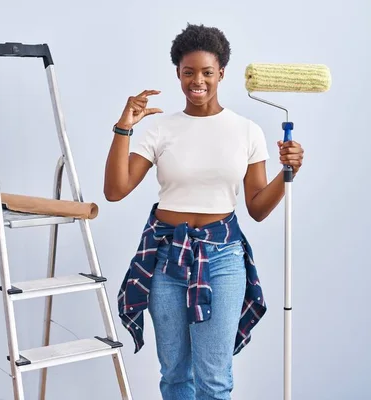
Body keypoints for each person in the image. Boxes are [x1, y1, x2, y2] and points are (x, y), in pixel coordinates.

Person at [104, 23, 304, 400]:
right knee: (176, 375)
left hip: (222, 260)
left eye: (207, 72)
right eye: (188, 72)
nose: (198, 81)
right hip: (166, 260)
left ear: (222, 74)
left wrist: (288, 171)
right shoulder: (160, 129)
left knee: (214, 380)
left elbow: (258, 208)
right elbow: (116, 190)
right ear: (178, 73)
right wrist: (123, 127)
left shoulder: (247, 131)